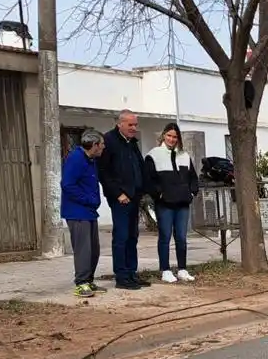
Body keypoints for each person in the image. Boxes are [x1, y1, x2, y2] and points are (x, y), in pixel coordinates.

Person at [98, 109, 150, 290]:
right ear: (119, 123)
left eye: (136, 124)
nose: (134, 128)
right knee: (121, 237)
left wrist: (143, 190)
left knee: (132, 237)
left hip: (134, 197)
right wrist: (117, 194)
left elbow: (139, 167)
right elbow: (103, 172)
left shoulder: (132, 143)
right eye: (130, 124)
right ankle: (121, 277)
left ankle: (131, 273)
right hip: (120, 199)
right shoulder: (109, 141)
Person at [144, 123, 200, 283]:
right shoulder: (153, 155)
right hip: (165, 204)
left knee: (181, 237)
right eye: (169, 135)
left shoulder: (184, 155)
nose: (172, 139)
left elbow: (193, 178)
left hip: (182, 203)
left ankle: (182, 268)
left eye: (175, 137)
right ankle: (165, 270)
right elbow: (148, 179)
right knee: (165, 237)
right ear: (163, 136)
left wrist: (191, 192)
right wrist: (159, 194)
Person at [60, 130, 106, 298]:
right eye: (102, 145)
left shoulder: (91, 160)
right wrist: (87, 199)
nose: (103, 147)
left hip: (89, 212)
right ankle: (81, 283)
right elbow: (67, 184)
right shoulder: (76, 159)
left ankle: (89, 280)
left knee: (94, 249)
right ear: (94, 145)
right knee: (83, 249)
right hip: (77, 212)